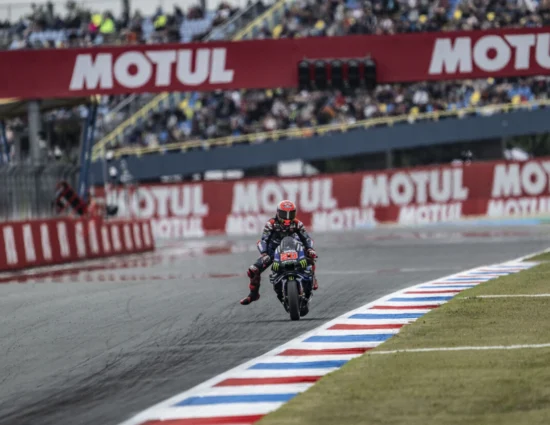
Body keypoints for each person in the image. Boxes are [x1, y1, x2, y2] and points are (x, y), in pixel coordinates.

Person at [240, 200, 318, 306]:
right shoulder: (271, 224)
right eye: (284, 214)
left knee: (310, 254)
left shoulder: (297, 223)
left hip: (293, 247)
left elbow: (306, 238)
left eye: (290, 214)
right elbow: (264, 240)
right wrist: (264, 254)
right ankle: (253, 294)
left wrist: (310, 249)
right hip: (274, 250)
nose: (287, 217)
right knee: (253, 270)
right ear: (278, 213)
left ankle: (313, 277)